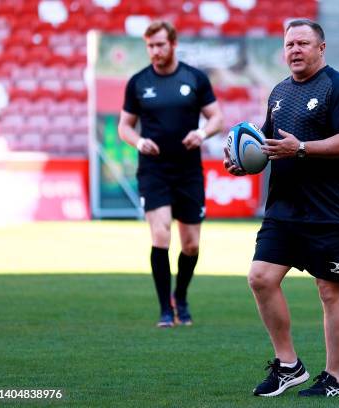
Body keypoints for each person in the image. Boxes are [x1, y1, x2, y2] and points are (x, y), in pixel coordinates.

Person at [224, 19, 339, 397]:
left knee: (330, 291)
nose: (295, 50)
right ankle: (289, 366)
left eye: (304, 43)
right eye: (289, 44)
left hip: (329, 210)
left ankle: (335, 379)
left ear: (321, 48)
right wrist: (245, 161)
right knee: (260, 278)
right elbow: (270, 146)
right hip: (285, 207)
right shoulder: (279, 93)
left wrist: (301, 147)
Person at [118, 21, 223, 328]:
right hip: (154, 170)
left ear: (173, 44)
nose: (155, 51)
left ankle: (181, 296)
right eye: (150, 46)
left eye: (160, 45)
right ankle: (166, 309)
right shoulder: (138, 82)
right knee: (161, 235)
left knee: (190, 245)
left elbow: (217, 117)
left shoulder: (195, 78)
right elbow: (125, 125)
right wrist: (138, 141)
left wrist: (202, 134)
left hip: (189, 170)